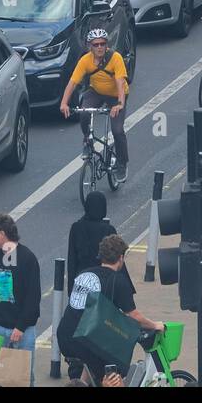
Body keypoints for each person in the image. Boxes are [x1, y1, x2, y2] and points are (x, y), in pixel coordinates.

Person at [57, 234, 164, 385]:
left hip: (65, 336)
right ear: (121, 257)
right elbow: (134, 316)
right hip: (85, 339)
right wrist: (155, 325)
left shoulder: (85, 273)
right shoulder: (117, 280)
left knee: (87, 372)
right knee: (115, 373)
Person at [59, 28, 130, 183]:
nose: (99, 47)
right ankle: (87, 140)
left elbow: (120, 82)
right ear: (90, 46)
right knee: (84, 112)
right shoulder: (85, 60)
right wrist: (64, 103)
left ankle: (122, 163)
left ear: (106, 45)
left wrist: (119, 104)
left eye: (102, 44)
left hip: (117, 95)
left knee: (117, 131)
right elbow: (73, 82)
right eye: (96, 44)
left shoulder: (116, 58)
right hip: (96, 91)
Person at [0, 214, 41, 387]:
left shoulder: (27, 258)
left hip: (22, 331)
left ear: (2, 233)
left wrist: (20, 327)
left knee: (24, 378)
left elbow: (33, 297)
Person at [67, 191, 120, 290]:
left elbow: (72, 259)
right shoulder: (108, 229)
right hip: (103, 282)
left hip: (81, 280)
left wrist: (71, 287)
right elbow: (116, 260)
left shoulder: (76, 227)